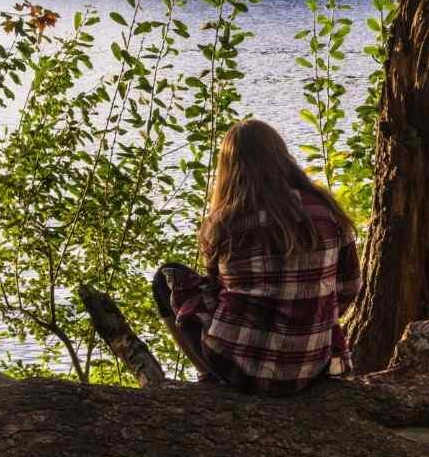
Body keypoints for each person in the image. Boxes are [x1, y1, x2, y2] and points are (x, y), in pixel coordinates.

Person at [152, 118, 361, 394]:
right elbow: (350, 287)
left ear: (230, 168)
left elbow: (218, 285)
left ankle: (209, 377)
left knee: (165, 278)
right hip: (310, 369)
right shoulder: (327, 211)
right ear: (282, 157)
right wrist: (310, 315)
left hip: (237, 370)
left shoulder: (224, 222)